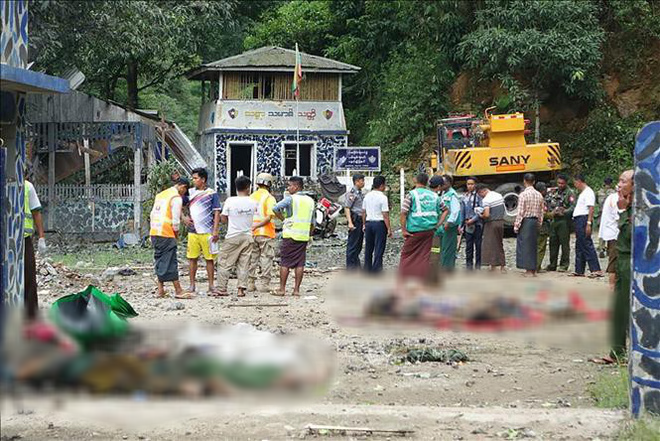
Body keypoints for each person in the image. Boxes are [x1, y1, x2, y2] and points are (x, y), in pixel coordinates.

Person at [593, 170, 633, 364]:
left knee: (628, 309)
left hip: (630, 263)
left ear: (634, 185)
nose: (619, 185)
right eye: (618, 180)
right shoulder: (625, 204)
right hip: (621, 260)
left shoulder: (638, 208)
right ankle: (616, 352)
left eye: (623, 181)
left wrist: (624, 212)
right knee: (618, 309)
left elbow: (632, 236)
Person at [273, 176, 315, 296]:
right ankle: (296, 290)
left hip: (290, 234)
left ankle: (282, 289)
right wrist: (310, 235)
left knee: (285, 262)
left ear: (296, 186)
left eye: (289, 185)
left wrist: (284, 219)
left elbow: (275, 208)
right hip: (303, 236)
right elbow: (313, 222)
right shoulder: (310, 201)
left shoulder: (290, 199)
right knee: (300, 263)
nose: (288, 188)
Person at [217, 175, 257, 297]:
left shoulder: (230, 201)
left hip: (233, 236)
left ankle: (222, 288)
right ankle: (241, 289)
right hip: (248, 236)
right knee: (244, 263)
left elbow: (223, 219)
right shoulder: (253, 202)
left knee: (225, 263)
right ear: (248, 188)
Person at [183, 168, 221, 297]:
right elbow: (179, 204)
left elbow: (217, 212)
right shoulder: (190, 193)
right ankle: (192, 285)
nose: (193, 180)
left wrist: (215, 230)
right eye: (193, 178)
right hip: (193, 231)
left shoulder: (211, 193)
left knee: (209, 259)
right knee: (192, 258)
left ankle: (211, 285)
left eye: (195, 178)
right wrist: (184, 217)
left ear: (203, 179)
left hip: (207, 231)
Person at [150, 177, 190, 298]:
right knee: (170, 260)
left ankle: (160, 289)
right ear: (182, 186)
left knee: (160, 259)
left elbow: (152, 214)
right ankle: (178, 290)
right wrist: (176, 236)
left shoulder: (161, 195)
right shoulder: (176, 198)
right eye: (185, 191)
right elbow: (176, 221)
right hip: (166, 232)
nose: (184, 194)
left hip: (155, 231)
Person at [399, 173, 442, 281]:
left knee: (407, 255)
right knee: (424, 255)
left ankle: (404, 277)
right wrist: (438, 223)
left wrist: (403, 230)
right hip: (430, 230)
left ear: (415, 180)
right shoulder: (434, 195)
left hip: (414, 231)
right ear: (427, 182)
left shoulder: (411, 195)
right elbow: (445, 209)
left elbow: (403, 212)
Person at [248, 173, 277, 293]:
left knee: (252, 258)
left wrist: (253, 227)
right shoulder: (269, 198)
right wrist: (258, 225)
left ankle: (250, 283)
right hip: (265, 232)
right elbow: (269, 217)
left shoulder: (251, 197)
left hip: (252, 232)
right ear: (269, 184)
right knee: (266, 257)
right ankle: (264, 284)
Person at [24, 180, 47, 321]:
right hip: (7, 241)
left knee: (28, 277)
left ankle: (31, 315)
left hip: (24, 239)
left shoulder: (28, 187)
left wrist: (41, 237)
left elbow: (36, 212)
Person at [571, 175, 603, 277]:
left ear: (579, 181)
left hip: (583, 219)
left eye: (575, 183)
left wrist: (588, 222)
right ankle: (579, 269)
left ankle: (596, 269)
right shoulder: (583, 193)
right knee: (579, 244)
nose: (575, 186)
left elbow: (591, 208)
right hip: (578, 219)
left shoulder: (589, 192)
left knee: (586, 243)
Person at [514, 173, 544, 276]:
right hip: (534, 221)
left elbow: (520, 212)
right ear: (534, 182)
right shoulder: (539, 194)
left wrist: (516, 225)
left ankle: (528, 271)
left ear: (524, 181)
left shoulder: (523, 195)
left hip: (526, 221)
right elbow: (541, 211)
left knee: (525, 246)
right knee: (533, 245)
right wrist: (539, 223)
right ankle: (533, 270)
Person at [362, 175, 392, 274]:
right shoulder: (383, 197)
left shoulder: (367, 196)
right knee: (379, 248)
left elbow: (363, 211)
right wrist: (389, 229)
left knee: (368, 247)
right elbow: (385, 215)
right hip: (379, 224)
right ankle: (376, 270)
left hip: (369, 223)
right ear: (382, 185)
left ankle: (367, 269)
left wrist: (364, 224)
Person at [546, 174, 576, 272]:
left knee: (564, 244)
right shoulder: (553, 191)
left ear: (566, 183)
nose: (560, 185)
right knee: (553, 243)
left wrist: (564, 212)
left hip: (564, 221)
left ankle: (564, 265)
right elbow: (548, 202)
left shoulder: (570, 193)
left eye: (562, 183)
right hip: (554, 220)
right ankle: (552, 264)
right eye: (558, 183)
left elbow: (573, 207)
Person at [476, 183, 506, 272]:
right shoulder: (498, 195)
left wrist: (480, 214)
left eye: (480, 194)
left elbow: (487, 214)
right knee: (499, 244)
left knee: (491, 244)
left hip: (491, 223)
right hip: (501, 222)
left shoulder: (486, 199)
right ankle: (502, 266)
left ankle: (493, 266)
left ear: (482, 191)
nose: (480, 196)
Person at [598, 183, 620, 290]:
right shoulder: (616, 199)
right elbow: (619, 216)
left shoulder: (610, 197)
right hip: (615, 233)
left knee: (613, 259)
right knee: (614, 260)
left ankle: (613, 285)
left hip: (610, 233)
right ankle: (612, 286)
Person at [438, 175, 462, 271]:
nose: (442, 184)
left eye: (444, 182)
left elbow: (455, 211)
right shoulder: (444, 193)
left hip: (449, 226)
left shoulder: (452, 195)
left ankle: (448, 269)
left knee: (448, 249)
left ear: (449, 183)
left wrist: (449, 222)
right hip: (443, 226)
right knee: (443, 248)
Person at [461, 176, 483, 271]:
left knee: (478, 245)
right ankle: (469, 266)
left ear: (475, 185)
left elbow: (481, 210)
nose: (470, 186)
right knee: (468, 246)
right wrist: (461, 225)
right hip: (467, 224)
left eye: (472, 184)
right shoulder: (464, 197)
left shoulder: (479, 197)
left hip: (477, 224)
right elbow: (462, 211)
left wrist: (472, 220)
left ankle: (478, 265)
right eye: (468, 184)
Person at [344, 173, 366, 270]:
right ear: (357, 181)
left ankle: (356, 265)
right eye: (362, 181)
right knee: (352, 244)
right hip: (355, 219)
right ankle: (351, 267)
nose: (363, 183)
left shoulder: (360, 192)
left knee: (358, 244)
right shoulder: (352, 193)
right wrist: (350, 222)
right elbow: (347, 207)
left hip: (361, 219)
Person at [597, 177, 616, 257]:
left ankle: (601, 248)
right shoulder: (613, 192)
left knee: (601, 231)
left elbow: (598, 202)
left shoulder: (599, 192)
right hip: (610, 214)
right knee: (610, 230)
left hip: (601, 213)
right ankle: (609, 249)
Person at [535, 182, 551, 272]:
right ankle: (537, 267)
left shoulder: (534, 198)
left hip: (535, 226)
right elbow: (543, 214)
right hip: (542, 226)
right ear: (541, 191)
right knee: (541, 247)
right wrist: (553, 214)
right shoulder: (541, 200)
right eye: (545, 190)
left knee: (536, 246)